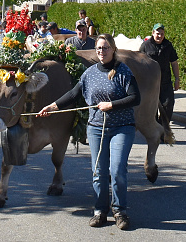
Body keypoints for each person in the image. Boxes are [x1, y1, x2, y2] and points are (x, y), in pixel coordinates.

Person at [39, 34, 139, 231]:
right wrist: (52, 106)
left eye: (106, 48)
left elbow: (136, 98)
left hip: (122, 127)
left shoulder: (123, 71)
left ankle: (120, 211)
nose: (102, 52)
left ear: (113, 49)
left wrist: (111, 105)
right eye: (99, 48)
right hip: (96, 128)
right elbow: (74, 94)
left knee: (117, 170)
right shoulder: (89, 73)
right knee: (99, 172)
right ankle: (100, 211)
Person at [139, 24, 179, 132]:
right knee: (152, 108)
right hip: (150, 83)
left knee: (168, 104)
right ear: (153, 33)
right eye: (157, 33)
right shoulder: (145, 46)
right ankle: (155, 129)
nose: (160, 36)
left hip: (165, 82)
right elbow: (139, 63)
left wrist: (177, 79)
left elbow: (174, 63)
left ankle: (163, 127)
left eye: (162, 34)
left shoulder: (168, 45)